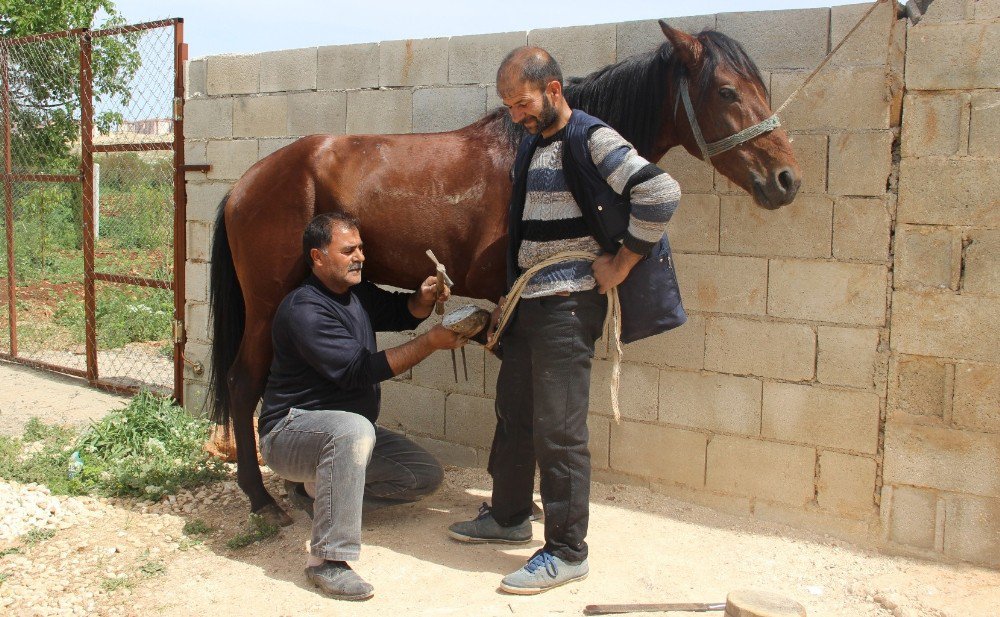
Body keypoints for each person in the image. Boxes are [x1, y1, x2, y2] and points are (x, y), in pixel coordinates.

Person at [447, 47, 682, 594]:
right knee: (515, 414)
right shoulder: (533, 143)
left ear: (553, 89)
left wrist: (622, 261)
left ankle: (568, 551)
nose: (515, 115)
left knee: (559, 431)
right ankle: (506, 516)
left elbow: (660, 190)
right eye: (507, 105)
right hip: (531, 304)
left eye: (523, 102)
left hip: (569, 305)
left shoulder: (592, 137)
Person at [258, 212, 466, 601]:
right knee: (353, 430)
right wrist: (431, 343)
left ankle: (314, 496)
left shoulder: (357, 293)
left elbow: (401, 312)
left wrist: (423, 298)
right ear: (318, 258)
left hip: (344, 434)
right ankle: (329, 560)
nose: (360, 257)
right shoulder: (305, 309)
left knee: (422, 475)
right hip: (289, 432)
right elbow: (359, 371)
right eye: (348, 250)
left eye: (361, 248)